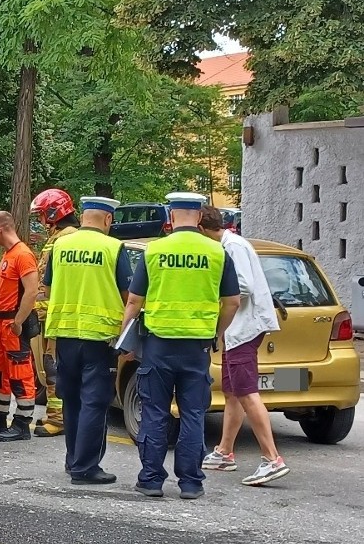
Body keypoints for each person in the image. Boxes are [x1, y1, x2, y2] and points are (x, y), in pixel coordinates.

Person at [121, 192, 241, 499]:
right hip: (196, 346)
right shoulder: (216, 252)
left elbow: (134, 300)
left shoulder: (154, 250)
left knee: (155, 412)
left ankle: (150, 479)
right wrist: (216, 332)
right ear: (200, 217)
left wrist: (125, 339)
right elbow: (232, 302)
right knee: (192, 414)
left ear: (171, 217)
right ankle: (190, 482)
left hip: (158, 345)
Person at [198, 205, 290, 485]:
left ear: (202, 228)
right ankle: (225, 452)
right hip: (238, 329)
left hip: (244, 328)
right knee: (233, 392)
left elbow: (243, 287)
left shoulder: (232, 248)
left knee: (247, 392)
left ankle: (272, 459)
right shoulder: (231, 244)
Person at [44, 196, 132, 483]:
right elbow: (126, 296)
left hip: (65, 334)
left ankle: (72, 461)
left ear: (83, 217)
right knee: (95, 402)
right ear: (108, 220)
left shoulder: (60, 246)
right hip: (99, 337)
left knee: (72, 400)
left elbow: (47, 288)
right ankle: (86, 467)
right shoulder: (113, 247)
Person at [0, 211, 39, 441]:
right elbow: (8, 287)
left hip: (14, 323)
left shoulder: (22, 255)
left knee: (20, 372)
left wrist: (19, 322)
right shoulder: (9, 255)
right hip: (3, 322)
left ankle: (23, 422)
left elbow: (31, 290)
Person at [29, 188, 80, 438]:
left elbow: (48, 283)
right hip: (52, 315)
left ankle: (57, 418)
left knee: (52, 368)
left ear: (53, 212)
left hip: (53, 316)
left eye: (41, 215)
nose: (40, 221)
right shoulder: (63, 236)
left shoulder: (63, 240)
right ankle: (60, 415)